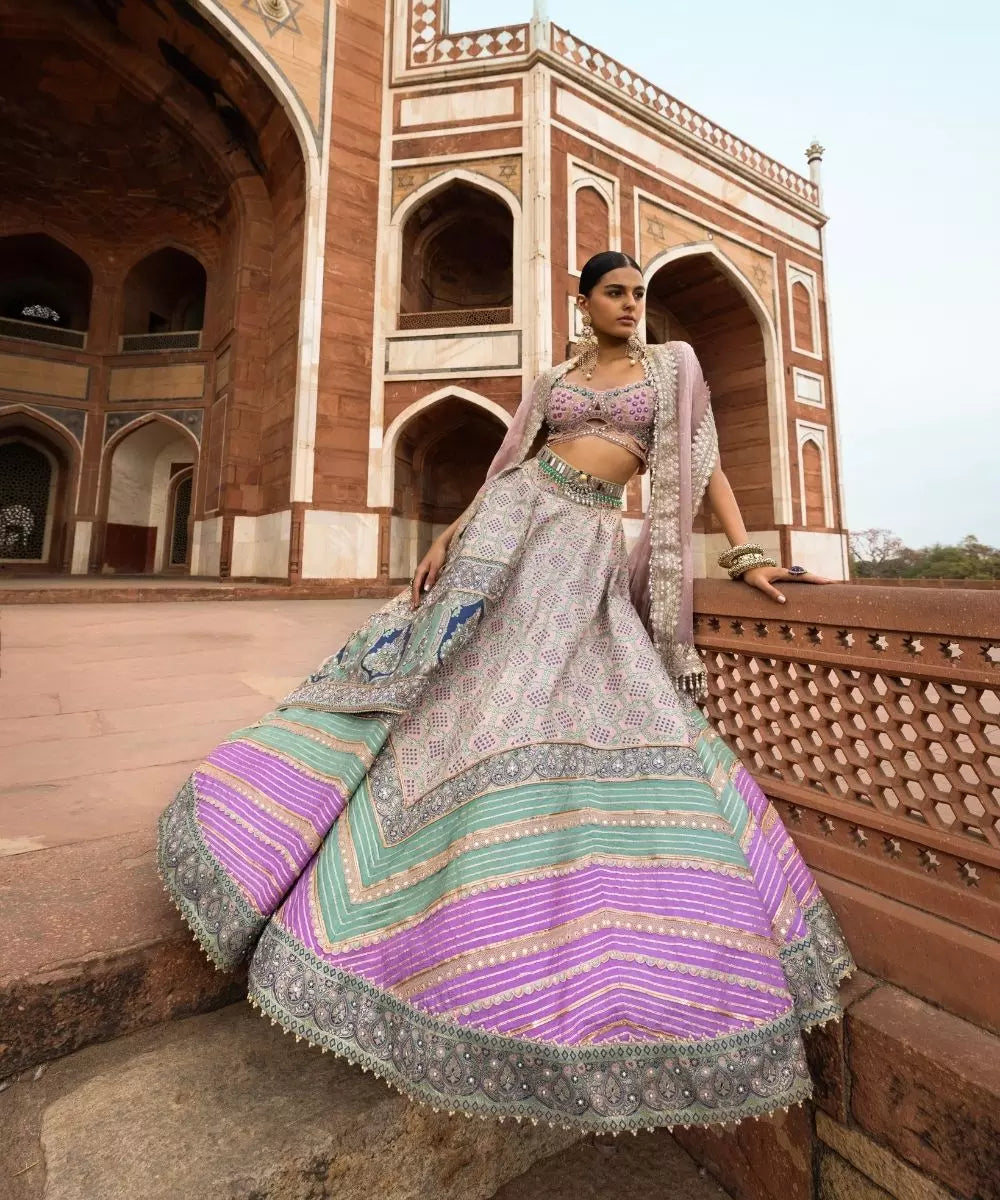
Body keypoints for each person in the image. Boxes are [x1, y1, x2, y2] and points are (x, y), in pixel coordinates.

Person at [158, 251, 854, 1136]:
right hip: (508, 518)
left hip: (582, 541)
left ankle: (487, 883)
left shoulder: (672, 368)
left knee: (530, 688)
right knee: (434, 665)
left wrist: (747, 554)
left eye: (639, 293)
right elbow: (508, 463)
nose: (632, 304)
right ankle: (307, 836)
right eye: (616, 292)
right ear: (583, 301)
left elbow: (704, 463)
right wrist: (450, 531)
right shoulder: (555, 378)